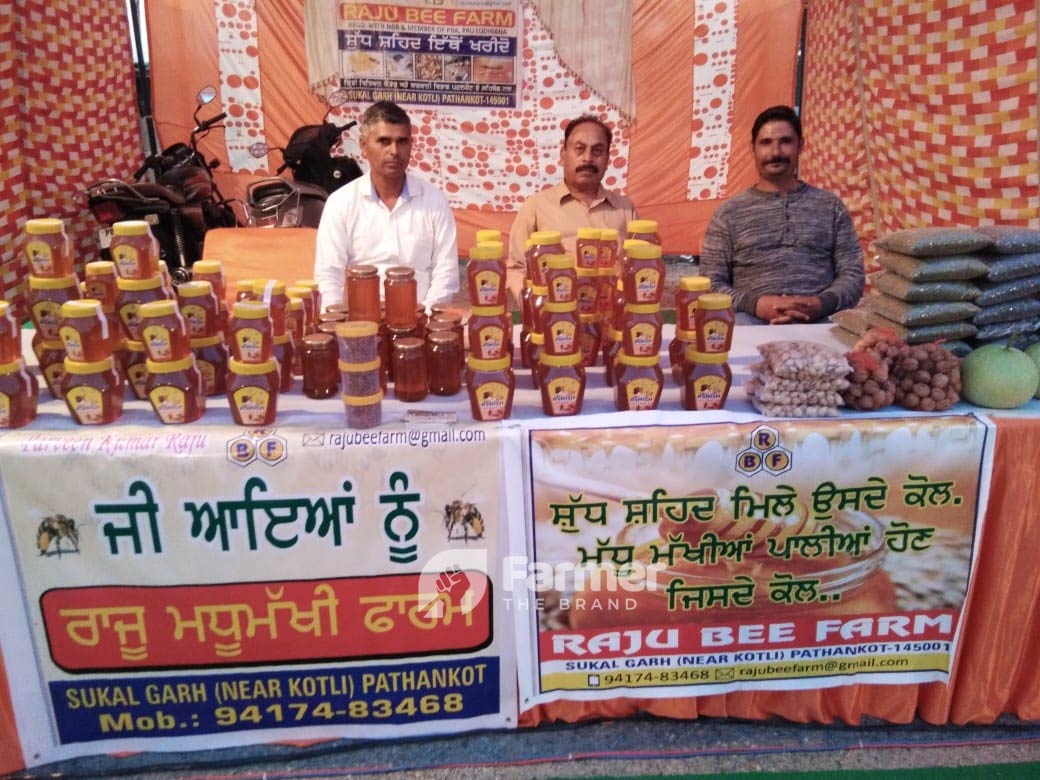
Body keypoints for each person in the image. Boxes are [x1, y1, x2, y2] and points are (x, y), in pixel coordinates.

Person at [699, 105, 864, 324]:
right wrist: (755, 304)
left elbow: (853, 275)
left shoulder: (830, 206)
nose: (775, 152)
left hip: (821, 321)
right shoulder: (729, 213)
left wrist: (821, 303)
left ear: (800, 146)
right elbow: (710, 283)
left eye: (785, 141)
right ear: (753, 148)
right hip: (749, 321)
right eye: (766, 143)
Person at [313, 101, 459, 310]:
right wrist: (336, 320)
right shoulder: (341, 203)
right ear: (364, 145)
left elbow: (446, 274)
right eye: (384, 141)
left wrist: (424, 317)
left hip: (421, 317)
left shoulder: (434, 201)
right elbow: (328, 275)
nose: (394, 151)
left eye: (402, 141)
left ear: (411, 145)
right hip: (358, 319)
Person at [507, 114, 637, 304]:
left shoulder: (625, 209)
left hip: (609, 315)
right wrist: (534, 307)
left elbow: (639, 265)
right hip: (556, 316)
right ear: (563, 155)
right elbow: (516, 267)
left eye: (597, 151)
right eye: (579, 149)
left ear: (608, 158)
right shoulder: (536, 206)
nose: (588, 159)